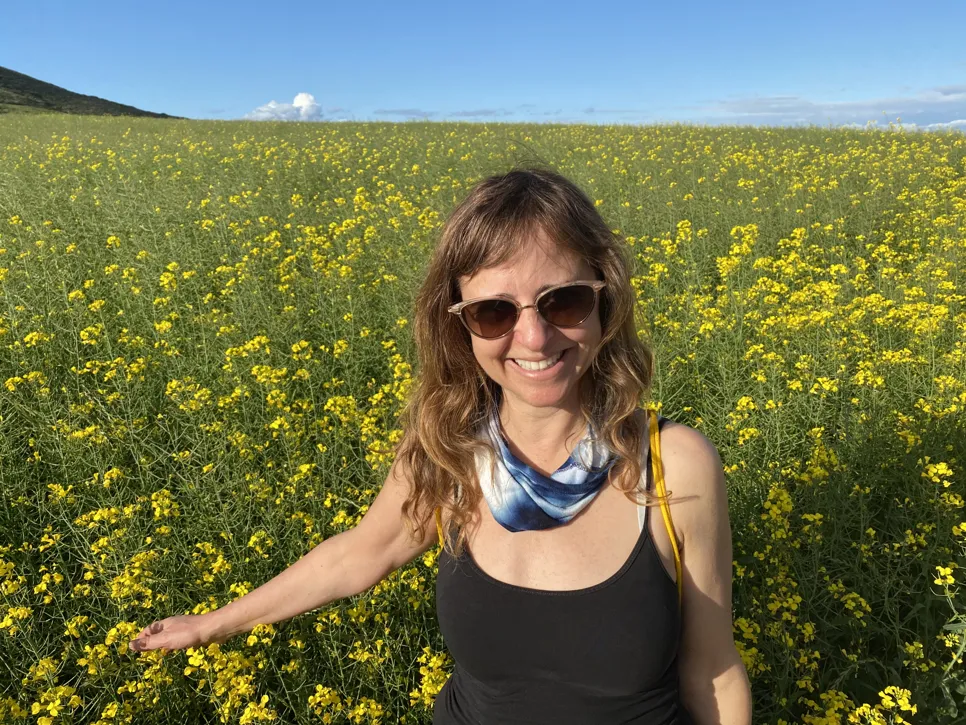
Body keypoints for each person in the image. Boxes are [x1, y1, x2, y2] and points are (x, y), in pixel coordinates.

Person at [129, 167, 752, 724]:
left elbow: (713, 673)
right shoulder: (448, 453)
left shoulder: (674, 467)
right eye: (494, 313)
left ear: (603, 303)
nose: (533, 338)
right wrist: (213, 625)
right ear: (458, 324)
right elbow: (360, 555)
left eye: (563, 301)